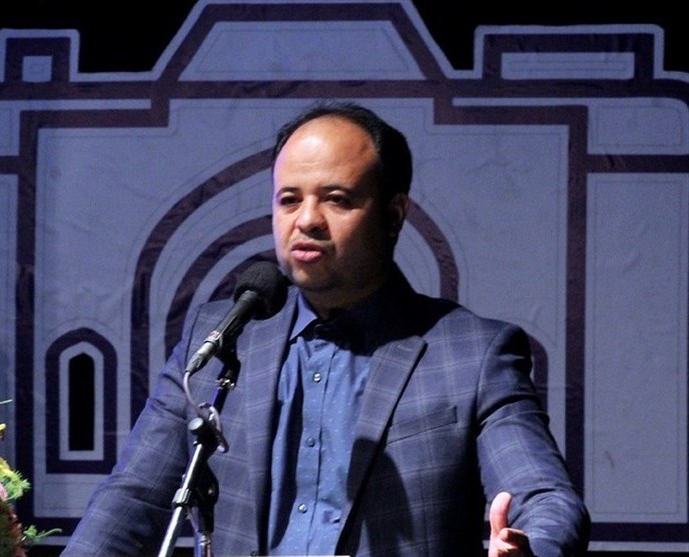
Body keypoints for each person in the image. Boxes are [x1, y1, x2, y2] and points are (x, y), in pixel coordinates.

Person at [62, 101, 591, 557]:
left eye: (336, 199)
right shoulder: (221, 338)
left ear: (392, 215)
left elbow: (544, 498)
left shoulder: (471, 354)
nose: (307, 220)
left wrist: (534, 546)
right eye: (289, 199)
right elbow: (133, 498)